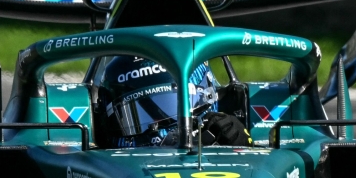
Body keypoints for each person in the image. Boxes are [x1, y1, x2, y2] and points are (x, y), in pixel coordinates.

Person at [95, 56, 251, 148]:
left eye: (171, 105)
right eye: (138, 116)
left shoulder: (221, 131)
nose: (156, 132)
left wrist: (242, 147)